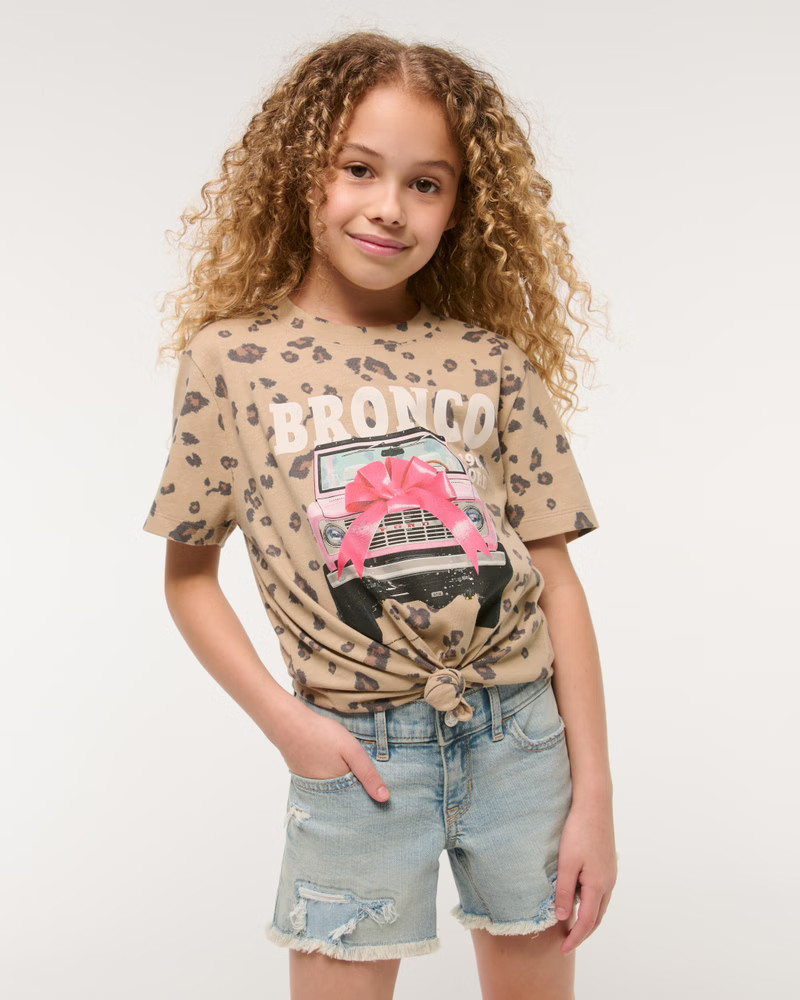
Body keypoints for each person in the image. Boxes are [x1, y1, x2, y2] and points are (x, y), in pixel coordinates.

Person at [144, 31, 616, 1000]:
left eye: (425, 183)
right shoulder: (229, 360)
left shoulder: (491, 361)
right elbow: (188, 578)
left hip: (520, 739)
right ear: (301, 172)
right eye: (358, 168)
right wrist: (289, 727)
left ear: (460, 206)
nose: (388, 206)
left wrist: (594, 799)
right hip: (356, 751)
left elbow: (555, 582)